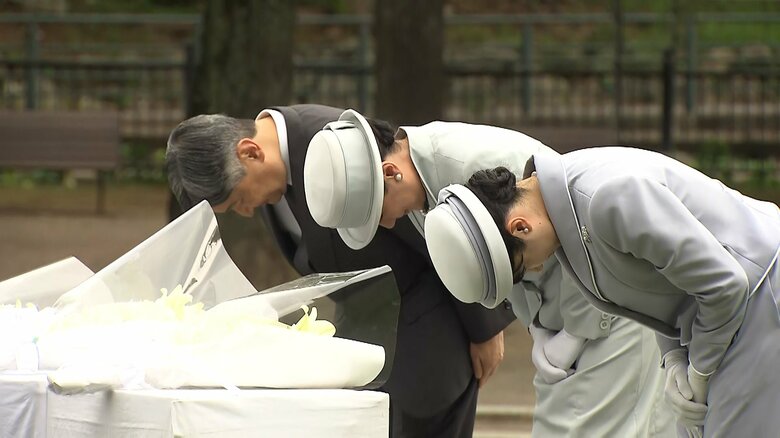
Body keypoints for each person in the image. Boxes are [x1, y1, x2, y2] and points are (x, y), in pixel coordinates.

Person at [303, 111, 674, 437]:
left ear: (390, 172)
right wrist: (541, 328)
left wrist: (575, 330)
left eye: (377, 211)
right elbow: (502, 271)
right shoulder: (420, 184)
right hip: (565, 320)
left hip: (605, 312)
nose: (386, 223)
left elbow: (577, 231)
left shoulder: (470, 163)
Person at [165, 104, 515, 438]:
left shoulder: (337, 144)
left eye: (239, 200)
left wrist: (484, 325)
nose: (244, 212)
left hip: (431, 335)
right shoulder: (274, 173)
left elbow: (433, 225)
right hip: (372, 340)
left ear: (250, 152)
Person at [425, 147, 780, 438]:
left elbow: (726, 285)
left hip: (762, 294)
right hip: (734, 314)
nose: (535, 270)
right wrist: (674, 359)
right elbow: (663, 287)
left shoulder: (605, 200)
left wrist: (700, 372)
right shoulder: (567, 219)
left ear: (520, 227)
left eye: (523, 265)